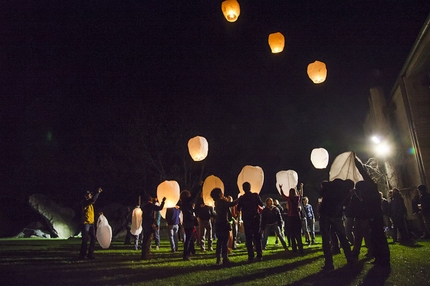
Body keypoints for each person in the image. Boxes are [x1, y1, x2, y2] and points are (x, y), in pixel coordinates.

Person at [355, 156, 390, 268]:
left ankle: (383, 258)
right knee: (375, 236)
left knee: (378, 236)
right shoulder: (369, 193)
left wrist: (356, 161)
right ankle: (379, 257)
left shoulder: (370, 190)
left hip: (375, 217)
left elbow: (363, 172)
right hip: (373, 217)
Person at [318, 179, 355, 270]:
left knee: (326, 239)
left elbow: (321, 193)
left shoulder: (332, 185)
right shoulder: (346, 192)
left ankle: (329, 263)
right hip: (336, 215)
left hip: (325, 213)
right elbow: (346, 204)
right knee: (342, 237)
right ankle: (350, 259)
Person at [237, 182, 264, 263]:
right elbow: (261, 204)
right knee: (257, 237)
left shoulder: (242, 198)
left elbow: (238, 208)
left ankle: (250, 256)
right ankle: (259, 255)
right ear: (250, 187)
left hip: (247, 219)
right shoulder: (255, 195)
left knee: (248, 238)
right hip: (255, 218)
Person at [211, 188, 238, 265]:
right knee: (224, 241)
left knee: (219, 241)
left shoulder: (216, 202)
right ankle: (225, 258)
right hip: (223, 223)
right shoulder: (222, 201)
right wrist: (240, 198)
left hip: (218, 223)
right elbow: (232, 204)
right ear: (219, 194)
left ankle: (218, 259)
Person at [79, 187, 102, 260]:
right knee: (85, 240)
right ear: (86, 196)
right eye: (89, 194)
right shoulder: (85, 202)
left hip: (91, 223)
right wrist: (97, 193)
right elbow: (93, 200)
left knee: (93, 239)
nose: (91, 195)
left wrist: (98, 215)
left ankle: (90, 254)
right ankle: (83, 255)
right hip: (86, 223)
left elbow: (90, 213)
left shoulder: (90, 204)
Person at [279, 183, 304, 254]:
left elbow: (283, 195)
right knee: (298, 234)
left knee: (292, 234)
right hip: (297, 217)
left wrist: (281, 188)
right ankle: (301, 249)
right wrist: (300, 187)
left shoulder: (289, 199)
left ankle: (294, 249)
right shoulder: (297, 198)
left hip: (290, 217)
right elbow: (300, 194)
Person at [141, 195, 166, 260]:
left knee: (145, 239)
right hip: (150, 224)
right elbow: (160, 208)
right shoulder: (151, 206)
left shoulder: (144, 207)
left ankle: (145, 253)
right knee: (148, 239)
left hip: (145, 223)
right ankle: (145, 254)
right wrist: (163, 201)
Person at [178, 190, 199, 261]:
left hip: (186, 222)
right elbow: (194, 195)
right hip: (190, 222)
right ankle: (186, 255)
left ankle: (190, 251)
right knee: (188, 239)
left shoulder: (182, 203)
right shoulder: (187, 202)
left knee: (189, 238)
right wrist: (199, 186)